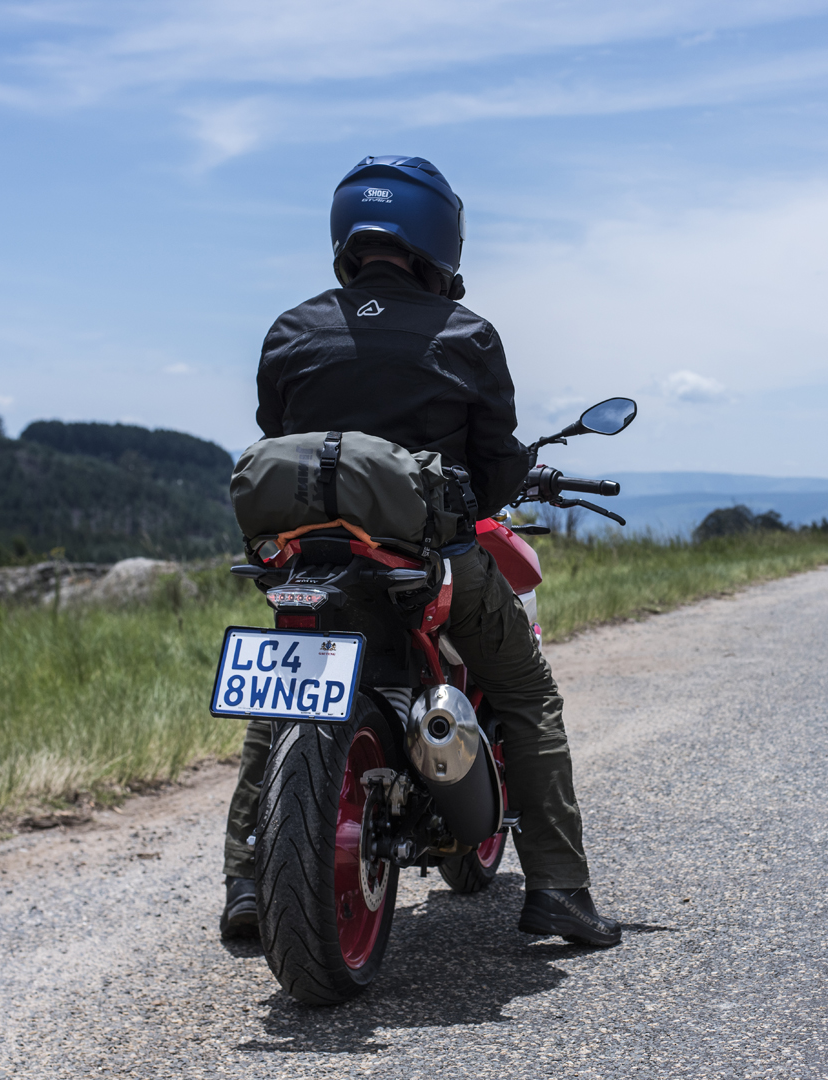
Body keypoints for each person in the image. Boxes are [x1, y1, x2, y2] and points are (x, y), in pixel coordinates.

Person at [219, 155, 620, 948]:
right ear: (440, 235)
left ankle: (245, 880)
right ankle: (560, 891)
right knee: (526, 693)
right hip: (428, 559)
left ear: (348, 232)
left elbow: (278, 435)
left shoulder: (291, 330)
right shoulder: (466, 334)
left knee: (287, 691)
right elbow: (494, 466)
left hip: (308, 560)